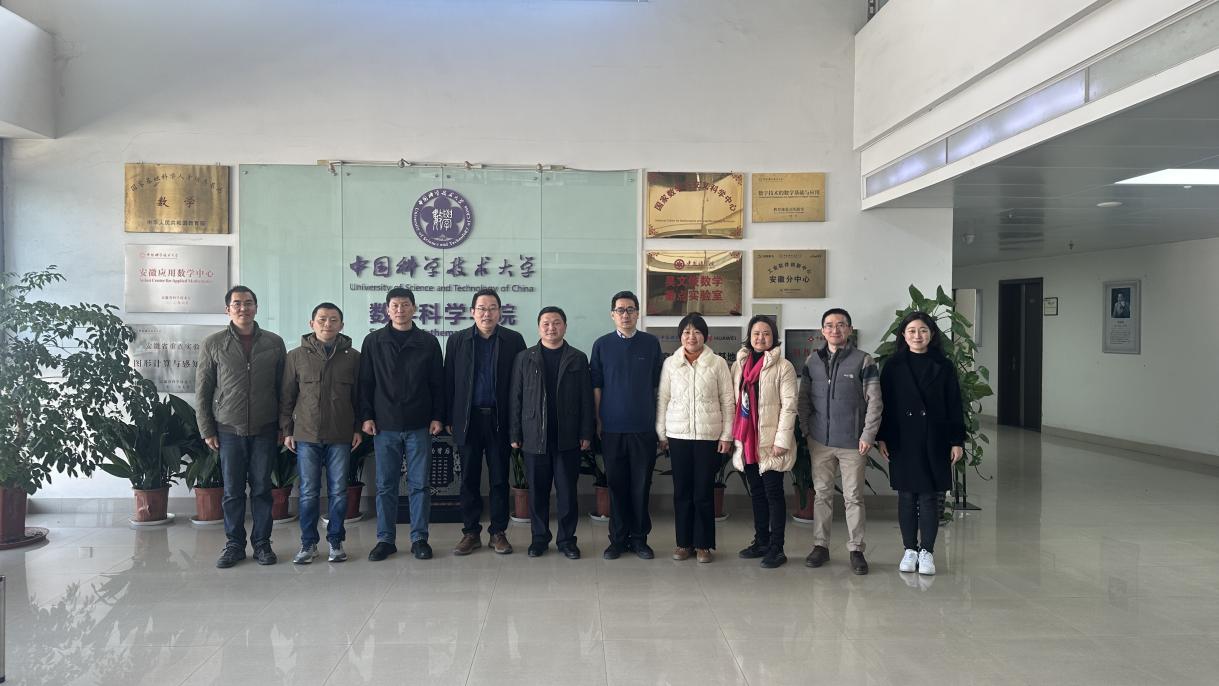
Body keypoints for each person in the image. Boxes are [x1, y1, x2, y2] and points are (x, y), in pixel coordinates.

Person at [196, 285, 286, 569]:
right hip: (228, 429)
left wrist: (284, 427)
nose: (243, 308)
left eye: (248, 303)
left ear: (256, 307)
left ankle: (262, 544)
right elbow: (203, 389)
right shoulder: (213, 343)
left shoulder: (273, 342)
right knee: (233, 491)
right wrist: (207, 429)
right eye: (237, 303)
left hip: (265, 428)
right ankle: (234, 544)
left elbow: (283, 389)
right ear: (228, 309)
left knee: (262, 489)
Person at [877, 311, 966, 577]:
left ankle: (927, 551)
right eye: (912, 331)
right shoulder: (892, 366)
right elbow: (884, 405)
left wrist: (956, 440)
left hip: (935, 437)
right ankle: (909, 550)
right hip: (903, 437)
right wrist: (882, 437)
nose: (918, 336)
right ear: (904, 335)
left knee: (929, 496)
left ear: (932, 334)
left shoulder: (944, 365)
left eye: (923, 330)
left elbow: (954, 404)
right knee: (906, 495)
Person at [359, 287, 444, 562]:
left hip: (420, 423)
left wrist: (437, 416)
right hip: (385, 425)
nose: (400, 310)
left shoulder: (428, 342)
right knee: (385, 485)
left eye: (405, 305)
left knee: (420, 485)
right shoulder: (373, 341)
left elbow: (437, 383)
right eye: (395, 305)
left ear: (414, 308)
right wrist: (366, 416)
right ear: (387, 310)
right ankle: (385, 540)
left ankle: (419, 538)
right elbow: (365, 383)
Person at [797, 308, 883, 575]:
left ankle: (856, 549)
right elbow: (803, 399)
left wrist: (868, 435)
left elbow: (875, 401)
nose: (835, 330)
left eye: (841, 325)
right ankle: (820, 546)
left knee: (853, 497)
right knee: (822, 494)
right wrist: (806, 430)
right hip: (820, 441)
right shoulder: (812, 361)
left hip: (852, 443)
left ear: (849, 329)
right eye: (829, 325)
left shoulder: (863, 360)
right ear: (822, 331)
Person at [444, 288, 527, 556]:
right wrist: (449, 418)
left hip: (499, 420)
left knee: (499, 478)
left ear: (500, 312)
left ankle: (498, 532)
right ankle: (470, 532)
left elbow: (522, 384)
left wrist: (518, 423)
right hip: (468, 420)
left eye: (492, 308)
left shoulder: (513, 340)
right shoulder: (457, 341)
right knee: (468, 478)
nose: (486, 313)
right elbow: (448, 382)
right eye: (481, 308)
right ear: (472, 312)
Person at [509, 306, 595, 559]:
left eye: (556, 323)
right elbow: (515, 397)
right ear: (538, 328)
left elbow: (586, 399)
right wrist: (515, 433)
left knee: (567, 493)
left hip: (567, 437)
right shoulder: (524, 358)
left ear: (565, 326)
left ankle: (567, 540)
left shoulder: (577, 358)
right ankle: (539, 539)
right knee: (537, 492)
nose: (551, 327)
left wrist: (586, 432)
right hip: (534, 436)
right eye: (546, 323)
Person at [280, 302, 362, 565]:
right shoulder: (295, 356)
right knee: (308, 492)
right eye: (322, 319)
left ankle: (336, 541)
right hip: (307, 434)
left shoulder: (353, 357)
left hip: (340, 434)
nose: (328, 324)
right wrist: (287, 430)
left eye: (334, 320)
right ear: (311, 323)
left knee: (338, 491)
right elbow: (287, 397)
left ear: (342, 325)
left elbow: (359, 397)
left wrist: (357, 428)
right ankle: (308, 543)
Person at [591, 290, 664, 560]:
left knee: (641, 486)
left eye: (630, 309)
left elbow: (658, 388)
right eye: (620, 310)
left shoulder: (650, 344)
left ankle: (640, 539)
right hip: (612, 428)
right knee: (617, 486)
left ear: (638, 313)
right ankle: (618, 540)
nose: (625, 314)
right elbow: (596, 387)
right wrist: (598, 420)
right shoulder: (601, 345)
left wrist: (659, 426)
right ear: (612, 315)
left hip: (643, 428)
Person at [656, 312, 734, 563]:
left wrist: (727, 435)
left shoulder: (718, 363)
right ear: (680, 336)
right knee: (682, 491)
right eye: (687, 332)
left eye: (697, 332)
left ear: (705, 336)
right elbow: (663, 398)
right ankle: (683, 543)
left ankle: (703, 545)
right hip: (677, 435)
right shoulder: (671, 364)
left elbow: (728, 401)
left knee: (703, 491)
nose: (691, 337)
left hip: (707, 436)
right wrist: (662, 433)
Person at [731, 315, 797, 569]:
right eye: (756, 333)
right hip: (747, 441)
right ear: (749, 336)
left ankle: (777, 548)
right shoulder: (740, 364)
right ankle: (761, 541)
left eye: (766, 333)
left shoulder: (784, 366)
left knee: (773, 494)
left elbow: (789, 407)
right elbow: (734, 401)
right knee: (757, 493)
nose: (760, 338)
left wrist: (782, 441)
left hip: (771, 442)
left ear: (774, 337)